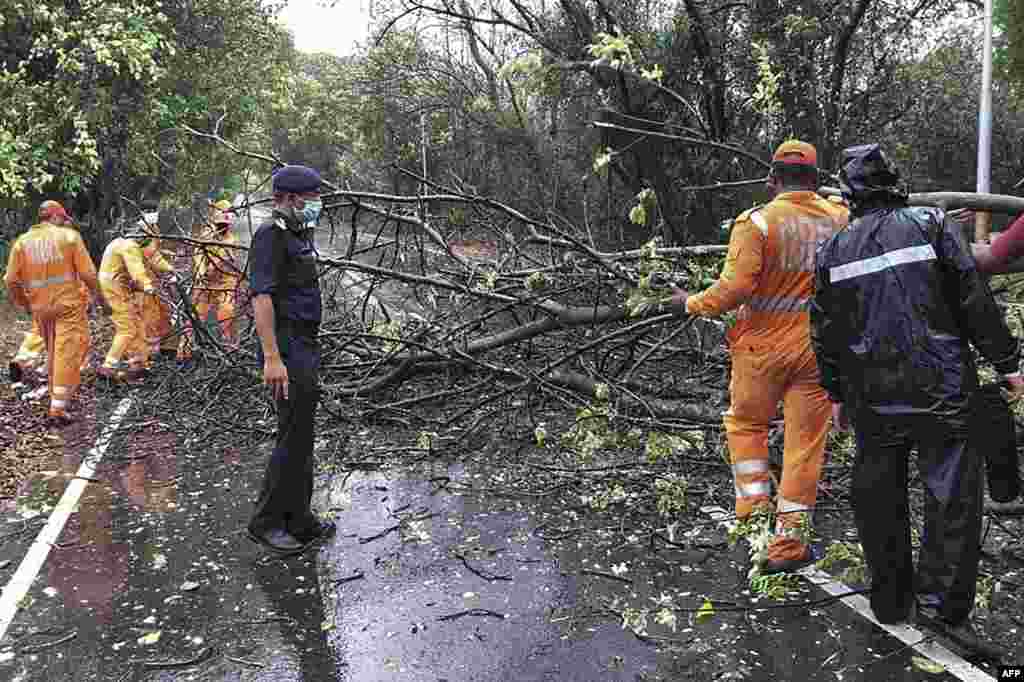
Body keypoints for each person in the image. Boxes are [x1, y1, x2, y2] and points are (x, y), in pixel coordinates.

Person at [810, 143, 1024, 633]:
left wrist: (837, 393)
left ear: (850, 195)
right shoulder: (930, 224)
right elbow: (973, 299)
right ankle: (942, 608)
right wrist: (1007, 362)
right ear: (894, 183)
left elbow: (825, 329)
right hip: (942, 386)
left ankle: (890, 601)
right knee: (950, 498)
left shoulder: (833, 250)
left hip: (871, 396)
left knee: (878, 497)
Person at [670, 140, 849, 574]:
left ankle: (753, 517)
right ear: (817, 180)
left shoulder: (757, 223)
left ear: (771, 180)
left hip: (760, 352)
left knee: (747, 425)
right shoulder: (840, 220)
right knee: (804, 445)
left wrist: (690, 302)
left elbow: (734, 290)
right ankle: (790, 544)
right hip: (817, 350)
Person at [246, 164, 334, 555]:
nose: (318, 204)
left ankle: (299, 518)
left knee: (303, 435)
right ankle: (265, 523)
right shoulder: (270, 235)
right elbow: (261, 298)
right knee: (290, 434)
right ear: (294, 198)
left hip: (305, 345)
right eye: (314, 198)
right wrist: (272, 358)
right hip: (286, 347)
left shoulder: (298, 233)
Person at [3, 200, 99, 422]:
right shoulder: (69, 237)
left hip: (40, 308)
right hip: (68, 306)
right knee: (70, 349)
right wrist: (97, 296)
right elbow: (88, 273)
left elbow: (10, 280)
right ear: (56, 217)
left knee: (54, 350)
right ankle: (58, 406)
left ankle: (58, 393)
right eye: (63, 219)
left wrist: (25, 303)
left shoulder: (22, 242)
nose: (65, 223)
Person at [177, 200, 242, 360]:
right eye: (219, 223)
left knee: (226, 314)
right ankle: (183, 350)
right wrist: (200, 272)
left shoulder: (231, 240)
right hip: (204, 283)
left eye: (224, 224)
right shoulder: (206, 233)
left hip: (225, 282)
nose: (222, 227)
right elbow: (199, 253)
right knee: (195, 315)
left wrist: (208, 272)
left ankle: (230, 350)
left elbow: (220, 260)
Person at [97, 222, 162, 380]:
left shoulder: (118, 242)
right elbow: (136, 271)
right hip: (114, 291)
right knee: (127, 328)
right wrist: (147, 285)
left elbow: (126, 272)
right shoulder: (130, 246)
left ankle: (138, 364)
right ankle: (108, 367)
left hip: (117, 289)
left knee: (137, 324)